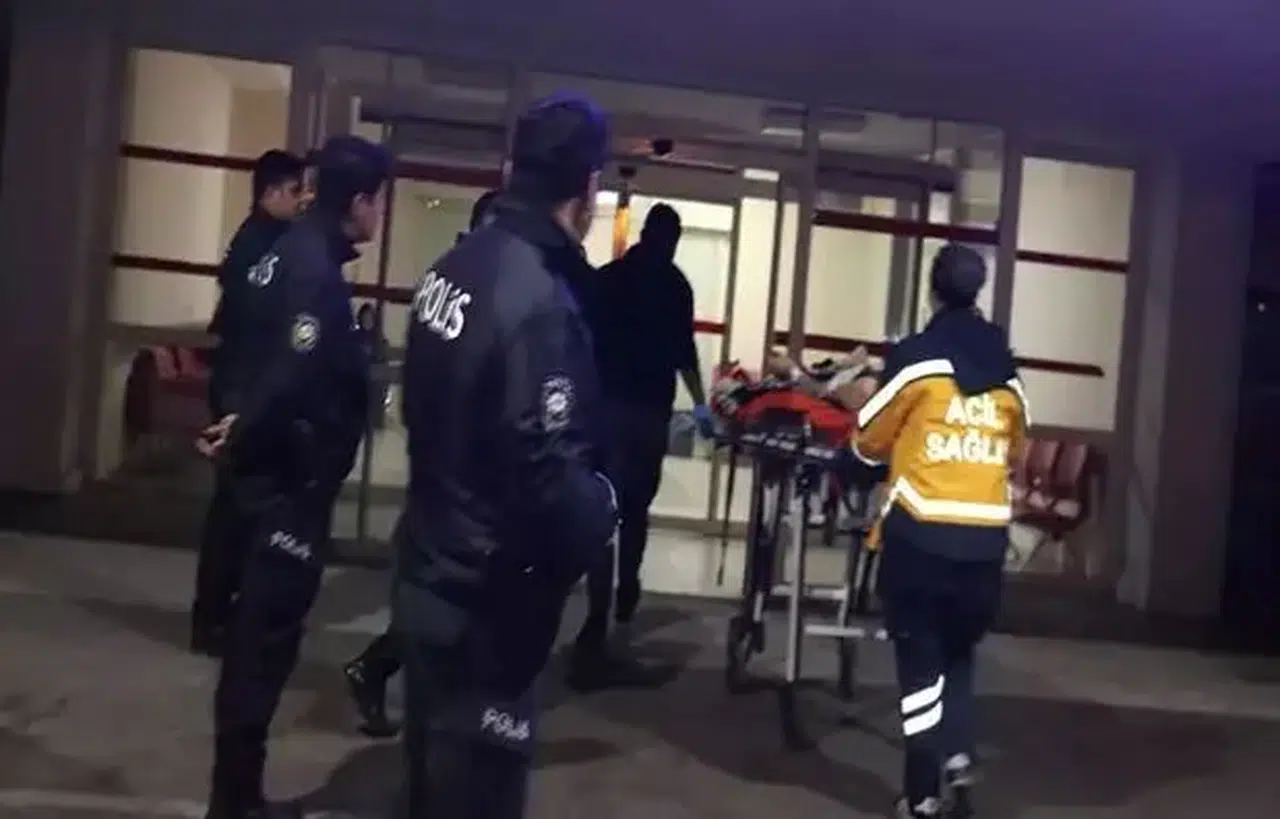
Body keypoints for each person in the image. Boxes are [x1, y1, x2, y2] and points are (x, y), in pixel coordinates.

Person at [392, 95, 617, 819]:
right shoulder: (538, 303)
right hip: (484, 606)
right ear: (586, 189)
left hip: (429, 567)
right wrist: (603, 507)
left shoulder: (455, 266)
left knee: (429, 787)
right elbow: (546, 472)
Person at [197, 134, 390, 819]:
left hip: (268, 472)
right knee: (262, 647)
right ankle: (236, 801)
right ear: (358, 202)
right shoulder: (312, 270)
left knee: (253, 644)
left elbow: (247, 348)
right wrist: (246, 427)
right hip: (287, 487)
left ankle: (235, 793)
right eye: (378, 202)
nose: (379, 215)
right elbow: (293, 368)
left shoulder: (283, 252)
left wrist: (235, 419)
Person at [850, 244, 1027, 819]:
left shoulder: (916, 361)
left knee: (920, 664)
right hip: (985, 544)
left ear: (933, 291)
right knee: (959, 649)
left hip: (921, 538)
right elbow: (1014, 451)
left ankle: (923, 795)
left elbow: (869, 439)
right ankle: (958, 753)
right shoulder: (1007, 371)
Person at [341, 187, 501, 739]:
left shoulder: (450, 280)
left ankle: (390, 677)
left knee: (446, 602)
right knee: (448, 604)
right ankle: (380, 672)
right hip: (456, 471)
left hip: (445, 467)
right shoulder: (468, 288)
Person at [567, 203, 713, 690]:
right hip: (648, 413)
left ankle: (599, 611)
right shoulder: (676, 286)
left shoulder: (608, 280)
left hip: (607, 411)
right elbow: (685, 352)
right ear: (669, 239)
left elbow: (584, 344)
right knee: (636, 510)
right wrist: (700, 403)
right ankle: (626, 593)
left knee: (605, 512)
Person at [191, 149, 309, 657]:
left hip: (244, 391)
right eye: (297, 190)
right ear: (271, 193)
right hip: (241, 393)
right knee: (233, 516)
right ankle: (214, 619)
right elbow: (254, 330)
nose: (304, 200)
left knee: (239, 514)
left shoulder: (265, 243)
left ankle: (223, 614)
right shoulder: (258, 251)